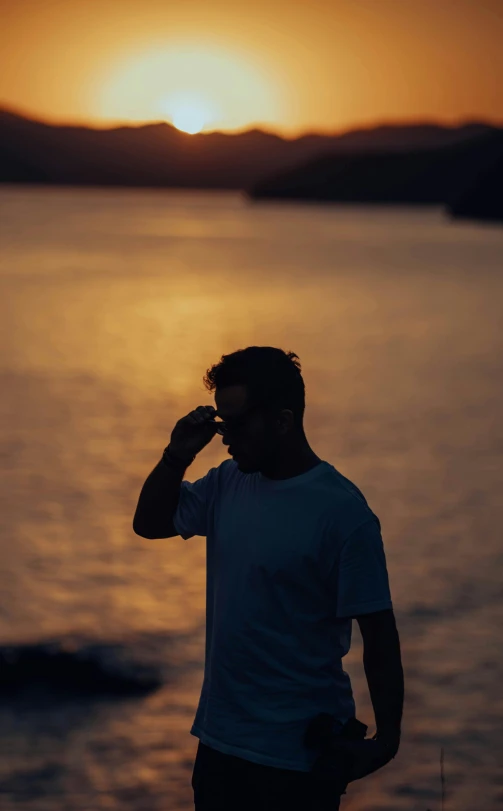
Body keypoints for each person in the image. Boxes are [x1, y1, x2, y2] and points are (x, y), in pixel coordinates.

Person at [133, 346, 404, 810]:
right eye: (221, 423)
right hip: (218, 745)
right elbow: (150, 522)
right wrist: (176, 455)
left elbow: (378, 635)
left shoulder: (342, 514)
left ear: (283, 421)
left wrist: (386, 743)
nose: (225, 439)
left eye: (237, 424)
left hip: (298, 760)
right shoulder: (227, 483)